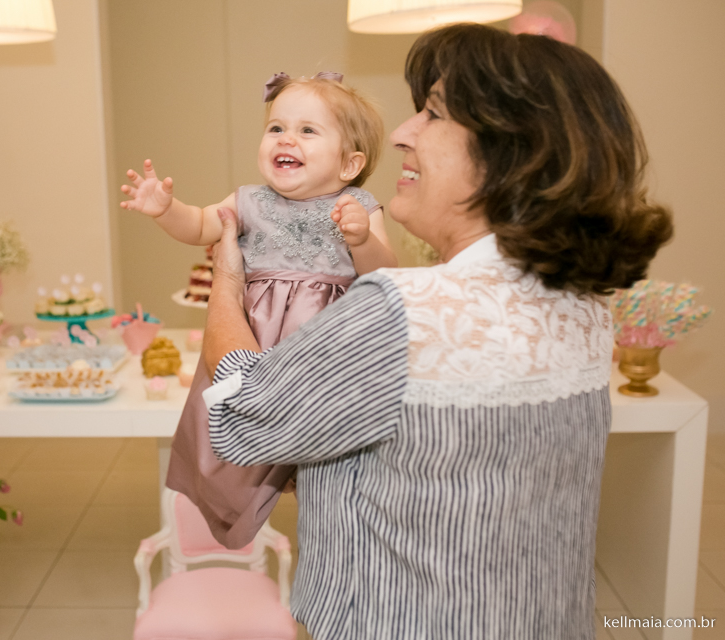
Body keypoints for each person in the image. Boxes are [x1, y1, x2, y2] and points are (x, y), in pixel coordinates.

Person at [200, 24, 673, 640]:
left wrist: (227, 282)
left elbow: (241, 412)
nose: (401, 132)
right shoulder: (582, 307)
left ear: (508, 155)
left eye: (432, 114)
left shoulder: (401, 311)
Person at [120, 72, 398, 548]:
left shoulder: (359, 205)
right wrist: (167, 210)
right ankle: (240, 491)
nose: (286, 138)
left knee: (324, 453)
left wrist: (362, 239)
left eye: (308, 131)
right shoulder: (249, 200)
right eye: (276, 127)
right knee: (232, 429)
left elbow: (385, 272)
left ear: (351, 163)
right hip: (253, 345)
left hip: (321, 354)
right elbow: (202, 224)